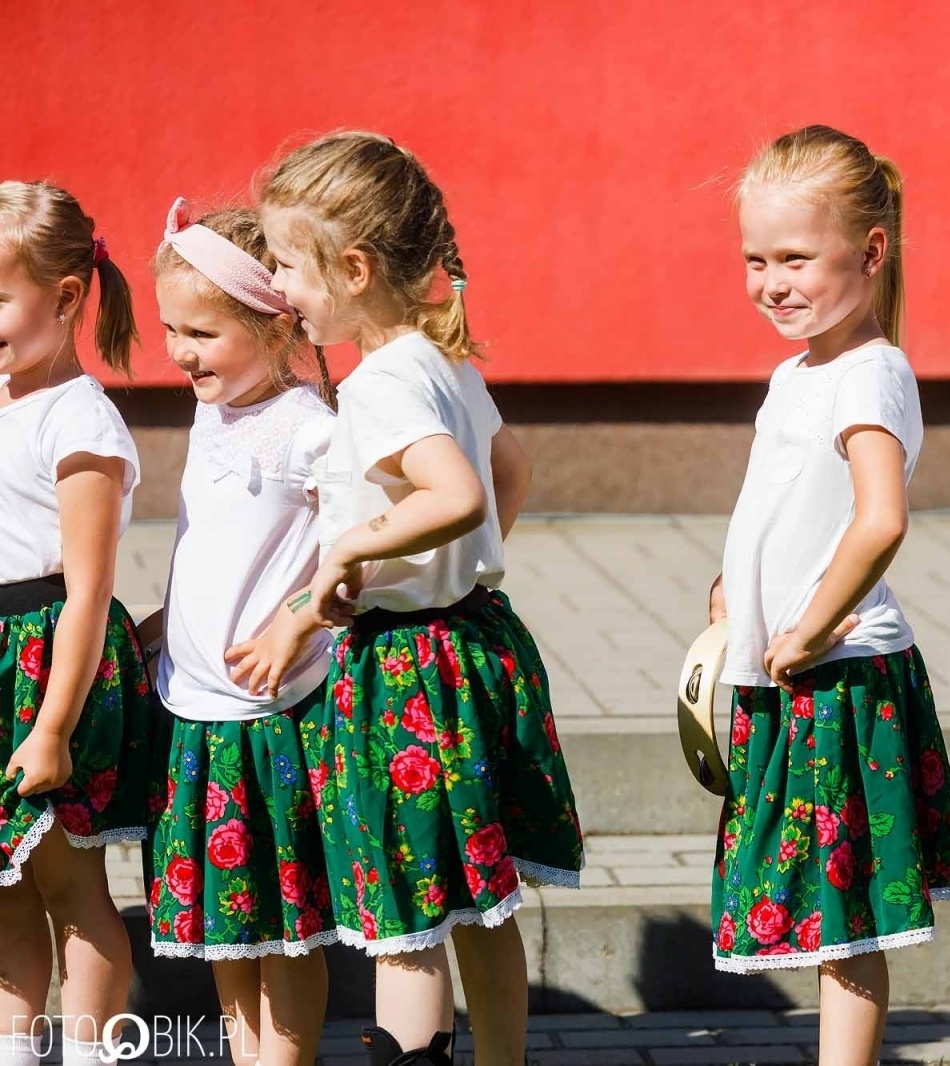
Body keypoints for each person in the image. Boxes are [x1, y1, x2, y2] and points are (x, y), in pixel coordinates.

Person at [231, 131, 583, 1066]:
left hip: (406, 672)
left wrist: (355, 549)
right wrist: (453, 559)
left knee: (407, 917)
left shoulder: (383, 381)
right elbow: (508, 473)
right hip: (473, 643)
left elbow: (458, 493)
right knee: (481, 900)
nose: (279, 287)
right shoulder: (442, 356)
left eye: (289, 267)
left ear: (352, 269)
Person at [708, 125, 950, 1066]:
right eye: (755, 259)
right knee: (822, 912)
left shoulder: (870, 371)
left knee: (846, 921)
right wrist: (730, 588)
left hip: (840, 673)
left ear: (869, 252)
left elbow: (880, 519)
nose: (772, 282)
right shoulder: (796, 373)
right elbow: (785, 508)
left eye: (795, 258)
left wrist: (810, 623)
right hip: (795, 670)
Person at [143, 198, 338, 1065]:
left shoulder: (310, 429)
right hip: (195, 710)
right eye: (171, 331)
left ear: (272, 321)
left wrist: (295, 622)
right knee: (225, 924)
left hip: (269, 718)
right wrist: (164, 621)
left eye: (201, 334)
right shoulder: (213, 412)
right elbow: (215, 542)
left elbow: (359, 550)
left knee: (282, 924)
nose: (180, 352)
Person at [0, 181, 154, 1066]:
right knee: (7, 890)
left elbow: (87, 593)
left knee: (68, 886)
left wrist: (53, 725)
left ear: (64, 299)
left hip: (48, 666)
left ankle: (94, 1054)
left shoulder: (79, 422)